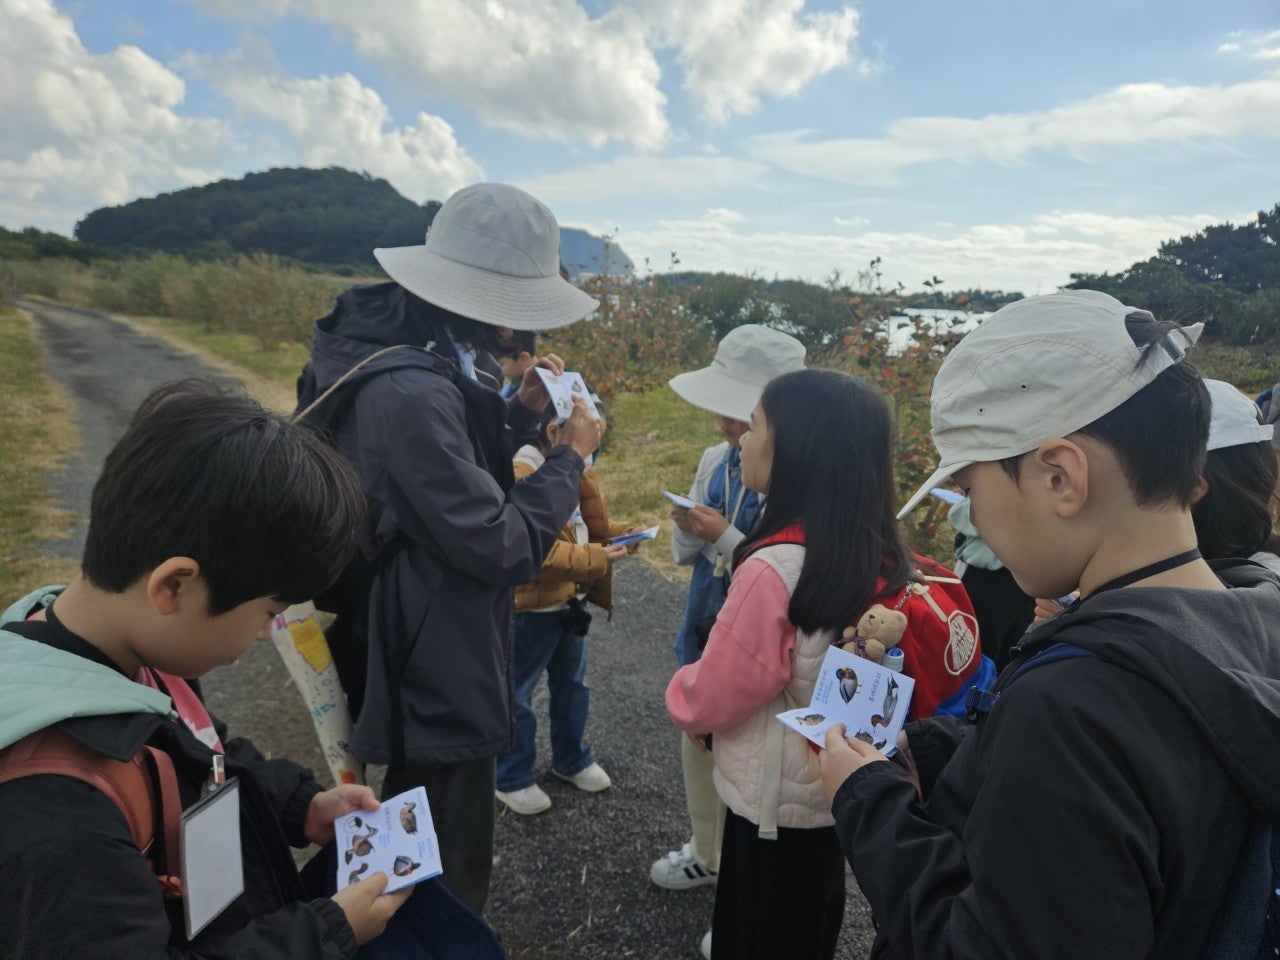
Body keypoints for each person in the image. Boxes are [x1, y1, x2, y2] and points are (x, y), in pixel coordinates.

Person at [820, 291, 1280, 959]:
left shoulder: (1071, 707)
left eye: (973, 489)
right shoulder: (1251, 616)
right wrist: (948, 753)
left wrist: (868, 803)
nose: (973, 519)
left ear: (1061, 477)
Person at [0, 378, 412, 958]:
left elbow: (198, 749)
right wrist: (324, 935)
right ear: (174, 586)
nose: (267, 635)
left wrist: (296, 806)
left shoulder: (127, 655)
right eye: (269, 612)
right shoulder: (59, 824)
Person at [295, 182, 604, 914]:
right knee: (443, 839)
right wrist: (568, 460)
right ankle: (426, 934)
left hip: (414, 616)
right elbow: (499, 545)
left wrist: (515, 417)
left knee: (425, 815)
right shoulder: (410, 390)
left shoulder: (396, 344)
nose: (519, 336)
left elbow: (441, 475)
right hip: (433, 644)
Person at [667, 368, 915, 960]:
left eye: (754, 425)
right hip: (830, 792)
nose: (743, 440)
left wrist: (682, 696)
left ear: (794, 449)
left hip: (770, 802)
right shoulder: (875, 552)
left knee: (751, 930)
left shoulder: (771, 566)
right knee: (808, 925)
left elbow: (731, 682)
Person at [650, 324, 806, 893]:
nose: (729, 427)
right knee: (697, 740)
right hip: (704, 620)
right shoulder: (715, 460)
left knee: (750, 751)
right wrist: (691, 529)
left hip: (758, 642)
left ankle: (739, 876)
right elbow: (682, 554)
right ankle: (705, 850)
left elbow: (782, 577)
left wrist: (721, 534)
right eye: (726, 413)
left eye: (744, 418)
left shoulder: (794, 482)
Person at [495, 401, 640, 815]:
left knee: (573, 685)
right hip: (528, 611)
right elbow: (533, 549)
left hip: (568, 604)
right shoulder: (522, 471)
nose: (594, 446)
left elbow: (579, 530)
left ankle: (571, 758)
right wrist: (598, 558)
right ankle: (511, 775)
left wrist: (621, 533)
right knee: (517, 695)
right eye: (591, 434)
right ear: (557, 431)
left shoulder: (574, 468)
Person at [495, 329, 538, 399]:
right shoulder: (516, 382)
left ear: (524, 358)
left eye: (501, 364)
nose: (498, 369)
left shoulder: (534, 392)